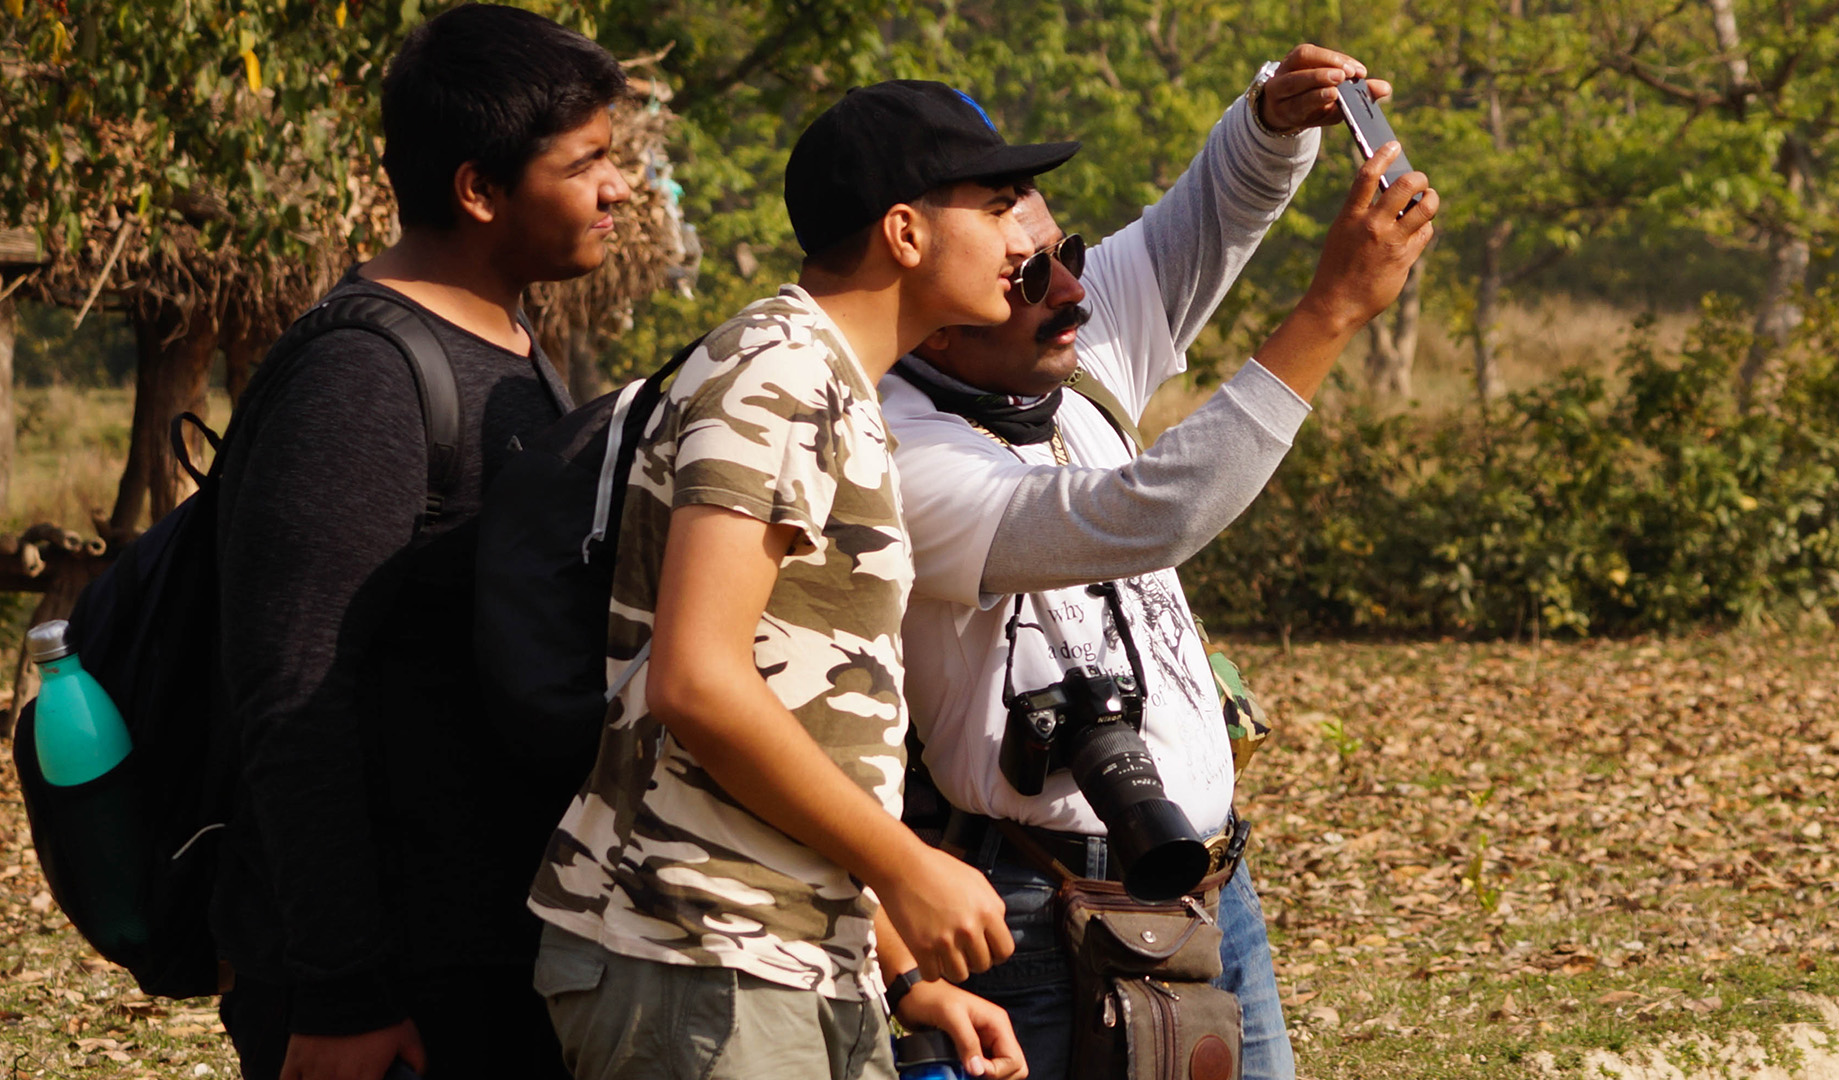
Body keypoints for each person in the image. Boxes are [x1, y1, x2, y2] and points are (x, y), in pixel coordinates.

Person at [879, 45, 1438, 1080]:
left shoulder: (1060, 348)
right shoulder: (893, 453)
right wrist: (1331, 312)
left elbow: (1204, 222)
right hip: (1038, 905)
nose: (1072, 289)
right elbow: (1145, 516)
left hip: (1215, 882)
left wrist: (1274, 117)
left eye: (1063, 249)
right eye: (1027, 273)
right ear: (929, 312)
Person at [526, 81, 1076, 1080]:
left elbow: (811, 714)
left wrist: (904, 973)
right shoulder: (779, 374)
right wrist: (910, 865)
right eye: (998, 208)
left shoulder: (833, 384)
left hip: (789, 956)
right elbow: (697, 680)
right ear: (904, 233)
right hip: (698, 951)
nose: (1023, 240)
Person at [210, 7, 632, 1079]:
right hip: (394, 986)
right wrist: (341, 990)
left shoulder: (512, 342)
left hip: (491, 951)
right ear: (479, 189)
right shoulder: (361, 378)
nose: (618, 189)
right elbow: (293, 690)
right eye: (585, 164)